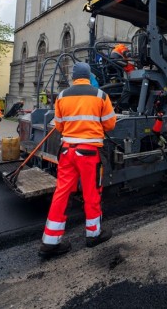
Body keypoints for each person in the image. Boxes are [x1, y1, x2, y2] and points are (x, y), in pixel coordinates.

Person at [39, 62, 117, 258]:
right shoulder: (100, 95)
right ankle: (93, 234)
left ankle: (50, 241)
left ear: (73, 77)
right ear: (89, 76)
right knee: (91, 192)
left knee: (61, 193)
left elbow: (58, 126)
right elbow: (110, 124)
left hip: (67, 152)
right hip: (89, 153)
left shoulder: (62, 96)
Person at [110, 43, 136, 111]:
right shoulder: (122, 47)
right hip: (116, 59)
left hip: (115, 61)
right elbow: (125, 53)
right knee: (128, 67)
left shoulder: (116, 48)